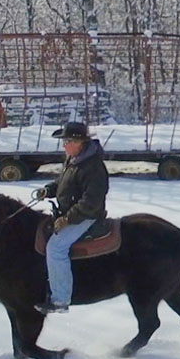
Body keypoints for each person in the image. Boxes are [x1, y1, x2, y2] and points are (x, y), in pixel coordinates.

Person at [34, 121, 109, 314]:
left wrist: (68, 219)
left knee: (56, 248)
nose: (64, 145)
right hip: (70, 213)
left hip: (87, 216)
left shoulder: (93, 166)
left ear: (79, 142)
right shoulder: (74, 160)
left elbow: (91, 201)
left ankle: (60, 300)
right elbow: (63, 183)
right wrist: (48, 190)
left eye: (67, 141)